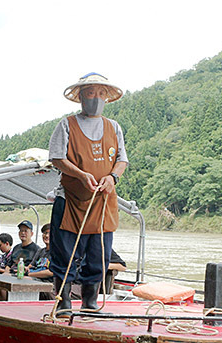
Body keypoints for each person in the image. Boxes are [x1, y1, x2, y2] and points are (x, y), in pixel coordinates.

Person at [48, 72, 128, 316]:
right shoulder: (66, 124)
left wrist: (112, 177)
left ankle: (90, 303)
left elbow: (122, 160)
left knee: (98, 253)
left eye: (101, 93)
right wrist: (82, 175)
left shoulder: (113, 127)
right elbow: (57, 158)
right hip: (70, 201)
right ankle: (63, 303)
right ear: (81, 97)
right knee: (65, 253)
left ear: (106, 98)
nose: (96, 97)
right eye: (91, 93)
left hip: (103, 201)